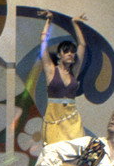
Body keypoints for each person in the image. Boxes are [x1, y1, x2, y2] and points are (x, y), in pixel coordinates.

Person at [38, 10, 88, 146]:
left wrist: (74, 23)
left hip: (72, 121)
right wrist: (49, 21)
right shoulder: (51, 70)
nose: (70, 54)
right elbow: (43, 42)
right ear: (59, 55)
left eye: (72, 51)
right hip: (55, 120)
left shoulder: (73, 72)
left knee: (76, 151)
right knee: (54, 152)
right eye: (66, 51)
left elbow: (82, 45)